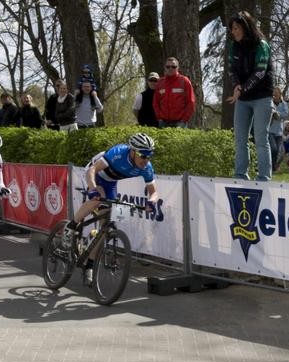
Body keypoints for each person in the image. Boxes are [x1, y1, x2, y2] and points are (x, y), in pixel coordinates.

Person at [61, 133, 159, 284]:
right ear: (133, 151)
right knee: (96, 198)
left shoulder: (146, 167)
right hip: (93, 174)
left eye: (149, 156)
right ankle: (71, 225)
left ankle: (90, 265)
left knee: (107, 226)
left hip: (111, 182)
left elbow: (154, 192)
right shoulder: (118, 153)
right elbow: (92, 170)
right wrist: (93, 189)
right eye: (142, 155)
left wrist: (152, 202)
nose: (145, 160)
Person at [226, 10, 274, 181]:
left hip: (262, 97)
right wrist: (237, 85)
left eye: (237, 28)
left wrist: (241, 89)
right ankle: (240, 175)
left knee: (261, 138)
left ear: (246, 27)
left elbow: (260, 72)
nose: (234, 32)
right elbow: (231, 69)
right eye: (232, 29)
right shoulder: (234, 46)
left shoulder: (261, 45)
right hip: (243, 99)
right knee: (240, 139)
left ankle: (264, 178)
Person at [153, 57, 195, 128]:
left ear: (178, 68)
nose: (170, 68)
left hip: (180, 123)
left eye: (173, 66)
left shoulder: (184, 81)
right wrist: (159, 118)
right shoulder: (160, 83)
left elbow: (191, 102)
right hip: (163, 123)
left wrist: (184, 120)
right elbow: (155, 103)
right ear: (165, 68)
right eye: (168, 66)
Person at [269, 87, 289, 172]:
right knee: (273, 149)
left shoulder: (283, 104)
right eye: (274, 93)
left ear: (280, 94)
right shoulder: (269, 102)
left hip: (279, 132)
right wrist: (272, 114)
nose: (275, 94)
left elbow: (286, 114)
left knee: (277, 151)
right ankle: (269, 166)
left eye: (277, 93)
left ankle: (273, 167)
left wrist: (278, 114)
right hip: (270, 130)